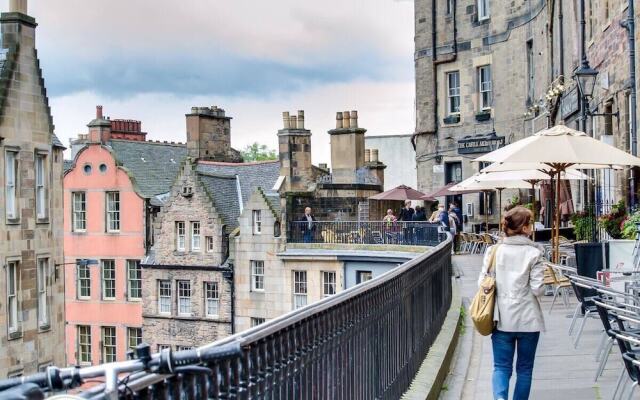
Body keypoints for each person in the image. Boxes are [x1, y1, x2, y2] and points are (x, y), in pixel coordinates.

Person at [478, 206, 545, 400]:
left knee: (501, 367)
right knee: (524, 369)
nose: (531, 227)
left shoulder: (493, 251)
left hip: (501, 317)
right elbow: (537, 289)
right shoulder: (534, 253)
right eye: (530, 224)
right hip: (528, 319)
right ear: (524, 228)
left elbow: (482, 283)